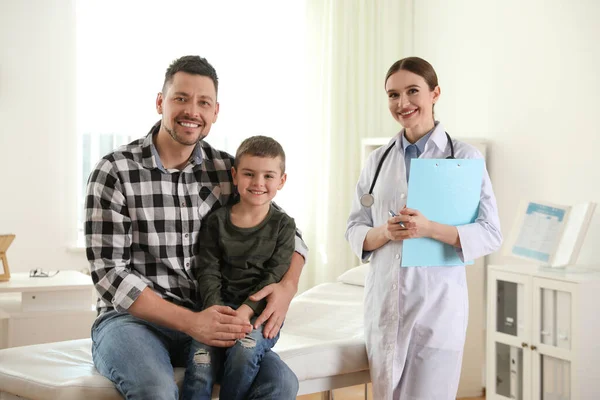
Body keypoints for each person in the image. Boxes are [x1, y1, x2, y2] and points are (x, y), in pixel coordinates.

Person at [85, 55, 307, 400]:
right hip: (133, 322)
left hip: (213, 319)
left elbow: (289, 235)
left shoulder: (228, 170)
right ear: (160, 102)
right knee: (155, 389)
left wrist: (288, 286)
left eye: (203, 102)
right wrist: (191, 322)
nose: (192, 110)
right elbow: (109, 274)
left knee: (281, 384)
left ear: (215, 112)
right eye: (181, 98)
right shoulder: (114, 171)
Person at [345, 57, 502, 399]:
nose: (402, 103)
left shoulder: (464, 157)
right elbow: (355, 227)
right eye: (393, 95)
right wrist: (385, 233)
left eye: (412, 91)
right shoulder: (377, 160)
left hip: (438, 306)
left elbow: (490, 231)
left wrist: (429, 228)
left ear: (435, 94)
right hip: (384, 305)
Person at [181, 135, 295, 400]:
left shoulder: (284, 226)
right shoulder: (216, 221)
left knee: (244, 352)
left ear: (281, 180)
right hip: (215, 310)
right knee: (200, 364)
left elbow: (274, 275)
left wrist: (245, 311)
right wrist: (216, 312)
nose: (258, 183)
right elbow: (207, 270)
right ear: (234, 175)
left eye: (268, 176)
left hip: (258, 316)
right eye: (249, 174)